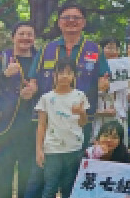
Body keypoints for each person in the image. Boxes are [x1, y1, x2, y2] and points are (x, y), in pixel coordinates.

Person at [30, 4, 109, 147]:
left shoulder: (95, 49)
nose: (71, 20)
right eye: (66, 17)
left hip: (81, 117)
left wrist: (103, 84)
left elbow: (102, 78)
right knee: (48, 157)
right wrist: (30, 88)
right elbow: (33, 80)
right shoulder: (46, 49)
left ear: (83, 22)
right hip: (50, 118)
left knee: (78, 157)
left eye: (76, 18)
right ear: (59, 22)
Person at [0, 22, 39, 198]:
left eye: (29, 34)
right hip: (1, 127)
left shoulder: (41, 61)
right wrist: (5, 75)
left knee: (28, 176)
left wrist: (35, 90)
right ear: (13, 37)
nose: (25, 37)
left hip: (31, 127)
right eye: (21, 34)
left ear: (34, 38)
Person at [34, 57, 89, 198]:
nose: (65, 76)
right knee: (50, 187)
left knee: (69, 188)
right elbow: (41, 125)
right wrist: (39, 149)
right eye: (61, 72)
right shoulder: (46, 98)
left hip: (73, 148)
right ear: (54, 75)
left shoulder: (80, 96)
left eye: (69, 73)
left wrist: (81, 112)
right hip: (52, 149)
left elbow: (83, 123)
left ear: (74, 76)